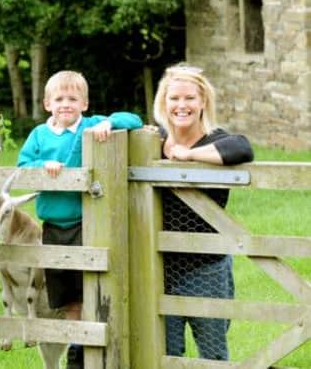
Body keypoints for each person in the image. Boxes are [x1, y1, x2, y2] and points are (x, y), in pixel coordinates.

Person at [17, 70, 143, 369]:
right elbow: (22, 166)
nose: (65, 104)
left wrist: (108, 123)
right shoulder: (39, 135)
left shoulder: (90, 125)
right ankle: (77, 348)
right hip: (52, 227)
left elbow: (134, 120)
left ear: (84, 103)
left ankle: (94, 347)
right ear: (47, 103)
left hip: (85, 224)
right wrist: (42, 164)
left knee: (90, 287)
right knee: (66, 295)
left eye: (72, 98)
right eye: (59, 99)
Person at [153, 64, 254, 360]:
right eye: (174, 98)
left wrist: (190, 155)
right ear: (164, 102)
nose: (181, 105)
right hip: (161, 266)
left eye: (189, 98)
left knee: (212, 355)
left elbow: (243, 149)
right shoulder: (153, 140)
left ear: (203, 102)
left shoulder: (215, 140)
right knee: (166, 354)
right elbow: (124, 122)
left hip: (206, 266)